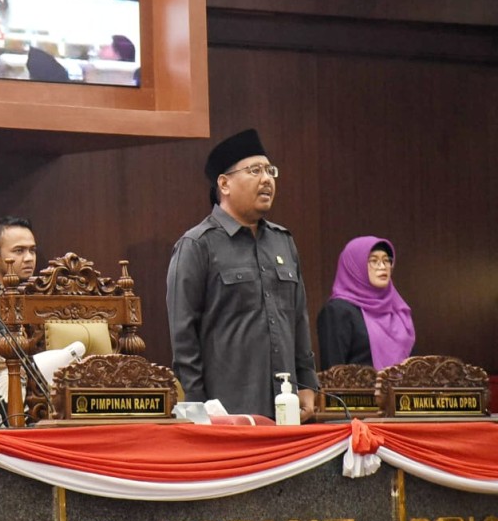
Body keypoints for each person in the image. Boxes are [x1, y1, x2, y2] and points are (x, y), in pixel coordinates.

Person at [166, 128, 318, 419]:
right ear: (224, 183)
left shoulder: (283, 241)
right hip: (227, 412)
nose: (267, 179)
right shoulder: (196, 245)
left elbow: (298, 319)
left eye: (270, 170)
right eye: (255, 170)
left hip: (286, 408)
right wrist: (200, 413)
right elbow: (184, 340)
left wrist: (307, 382)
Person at [317, 237, 415, 369]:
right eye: (374, 261)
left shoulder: (397, 310)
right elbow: (333, 373)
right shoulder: (338, 311)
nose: (383, 266)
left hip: (400, 389)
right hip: (359, 389)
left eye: (386, 260)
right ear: (355, 267)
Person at [0, 217, 38, 406]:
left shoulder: (40, 300)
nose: (29, 258)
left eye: (32, 250)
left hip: (40, 405)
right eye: (19, 251)